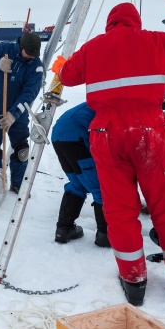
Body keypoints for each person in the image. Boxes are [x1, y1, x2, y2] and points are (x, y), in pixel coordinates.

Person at [54, 2, 165, 306]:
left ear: (110, 24)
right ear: (135, 22)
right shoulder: (156, 41)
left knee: (120, 210)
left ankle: (134, 281)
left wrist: (60, 64)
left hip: (107, 134)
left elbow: (68, 77)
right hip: (149, 133)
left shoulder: (92, 48)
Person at [0, 32, 44, 195]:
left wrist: (13, 115)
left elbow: (29, 94)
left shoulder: (36, 66)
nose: (31, 57)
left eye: (35, 55)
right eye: (29, 53)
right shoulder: (4, 48)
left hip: (17, 112)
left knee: (21, 150)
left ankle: (18, 185)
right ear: (21, 47)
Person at [51, 102, 109, 247]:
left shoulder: (96, 101)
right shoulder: (111, 105)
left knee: (77, 183)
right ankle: (105, 235)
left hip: (58, 134)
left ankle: (64, 229)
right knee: (99, 186)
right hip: (76, 135)